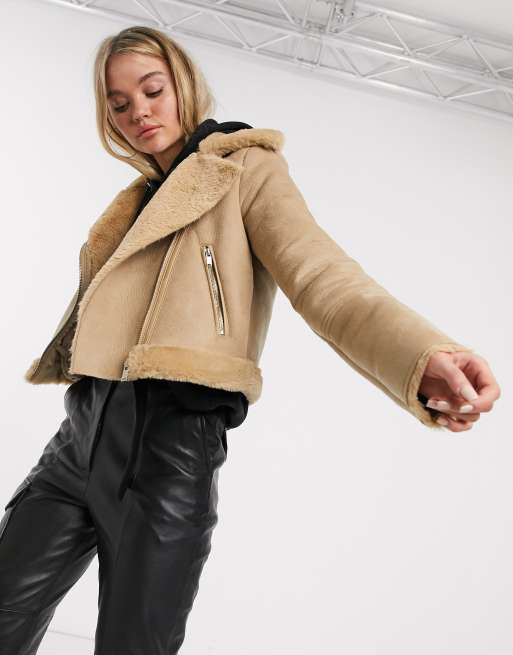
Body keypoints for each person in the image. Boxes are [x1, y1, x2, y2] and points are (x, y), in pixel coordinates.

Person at [0, 24, 500, 655]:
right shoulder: (136, 203)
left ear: (184, 85)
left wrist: (420, 357)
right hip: (79, 442)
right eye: (119, 104)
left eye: (152, 90)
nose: (138, 112)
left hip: (168, 455)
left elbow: (322, 276)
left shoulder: (244, 168)